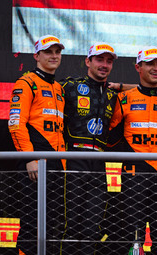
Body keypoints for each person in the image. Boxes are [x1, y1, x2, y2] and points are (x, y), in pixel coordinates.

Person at [108, 46, 157, 254]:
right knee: (132, 236)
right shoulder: (124, 99)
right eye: (150, 64)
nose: (156, 68)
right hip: (133, 173)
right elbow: (110, 139)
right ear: (138, 67)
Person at [8, 34, 65, 255]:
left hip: (57, 164)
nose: (53, 56)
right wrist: (29, 158)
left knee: (52, 223)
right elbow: (16, 124)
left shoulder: (59, 88)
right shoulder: (26, 82)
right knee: (32, 222)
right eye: (48, 52)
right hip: (35, 164)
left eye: (57, 52)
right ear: (37, 55)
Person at [59, 42, 119, 254]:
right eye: (99, 59)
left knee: (92, 227)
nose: (104, 65)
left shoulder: (113, 95)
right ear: (88, 61)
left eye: (109, 61)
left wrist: (122, 87)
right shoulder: (70, 87)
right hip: (73, 159)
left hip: (99, 164)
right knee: (69, 225)